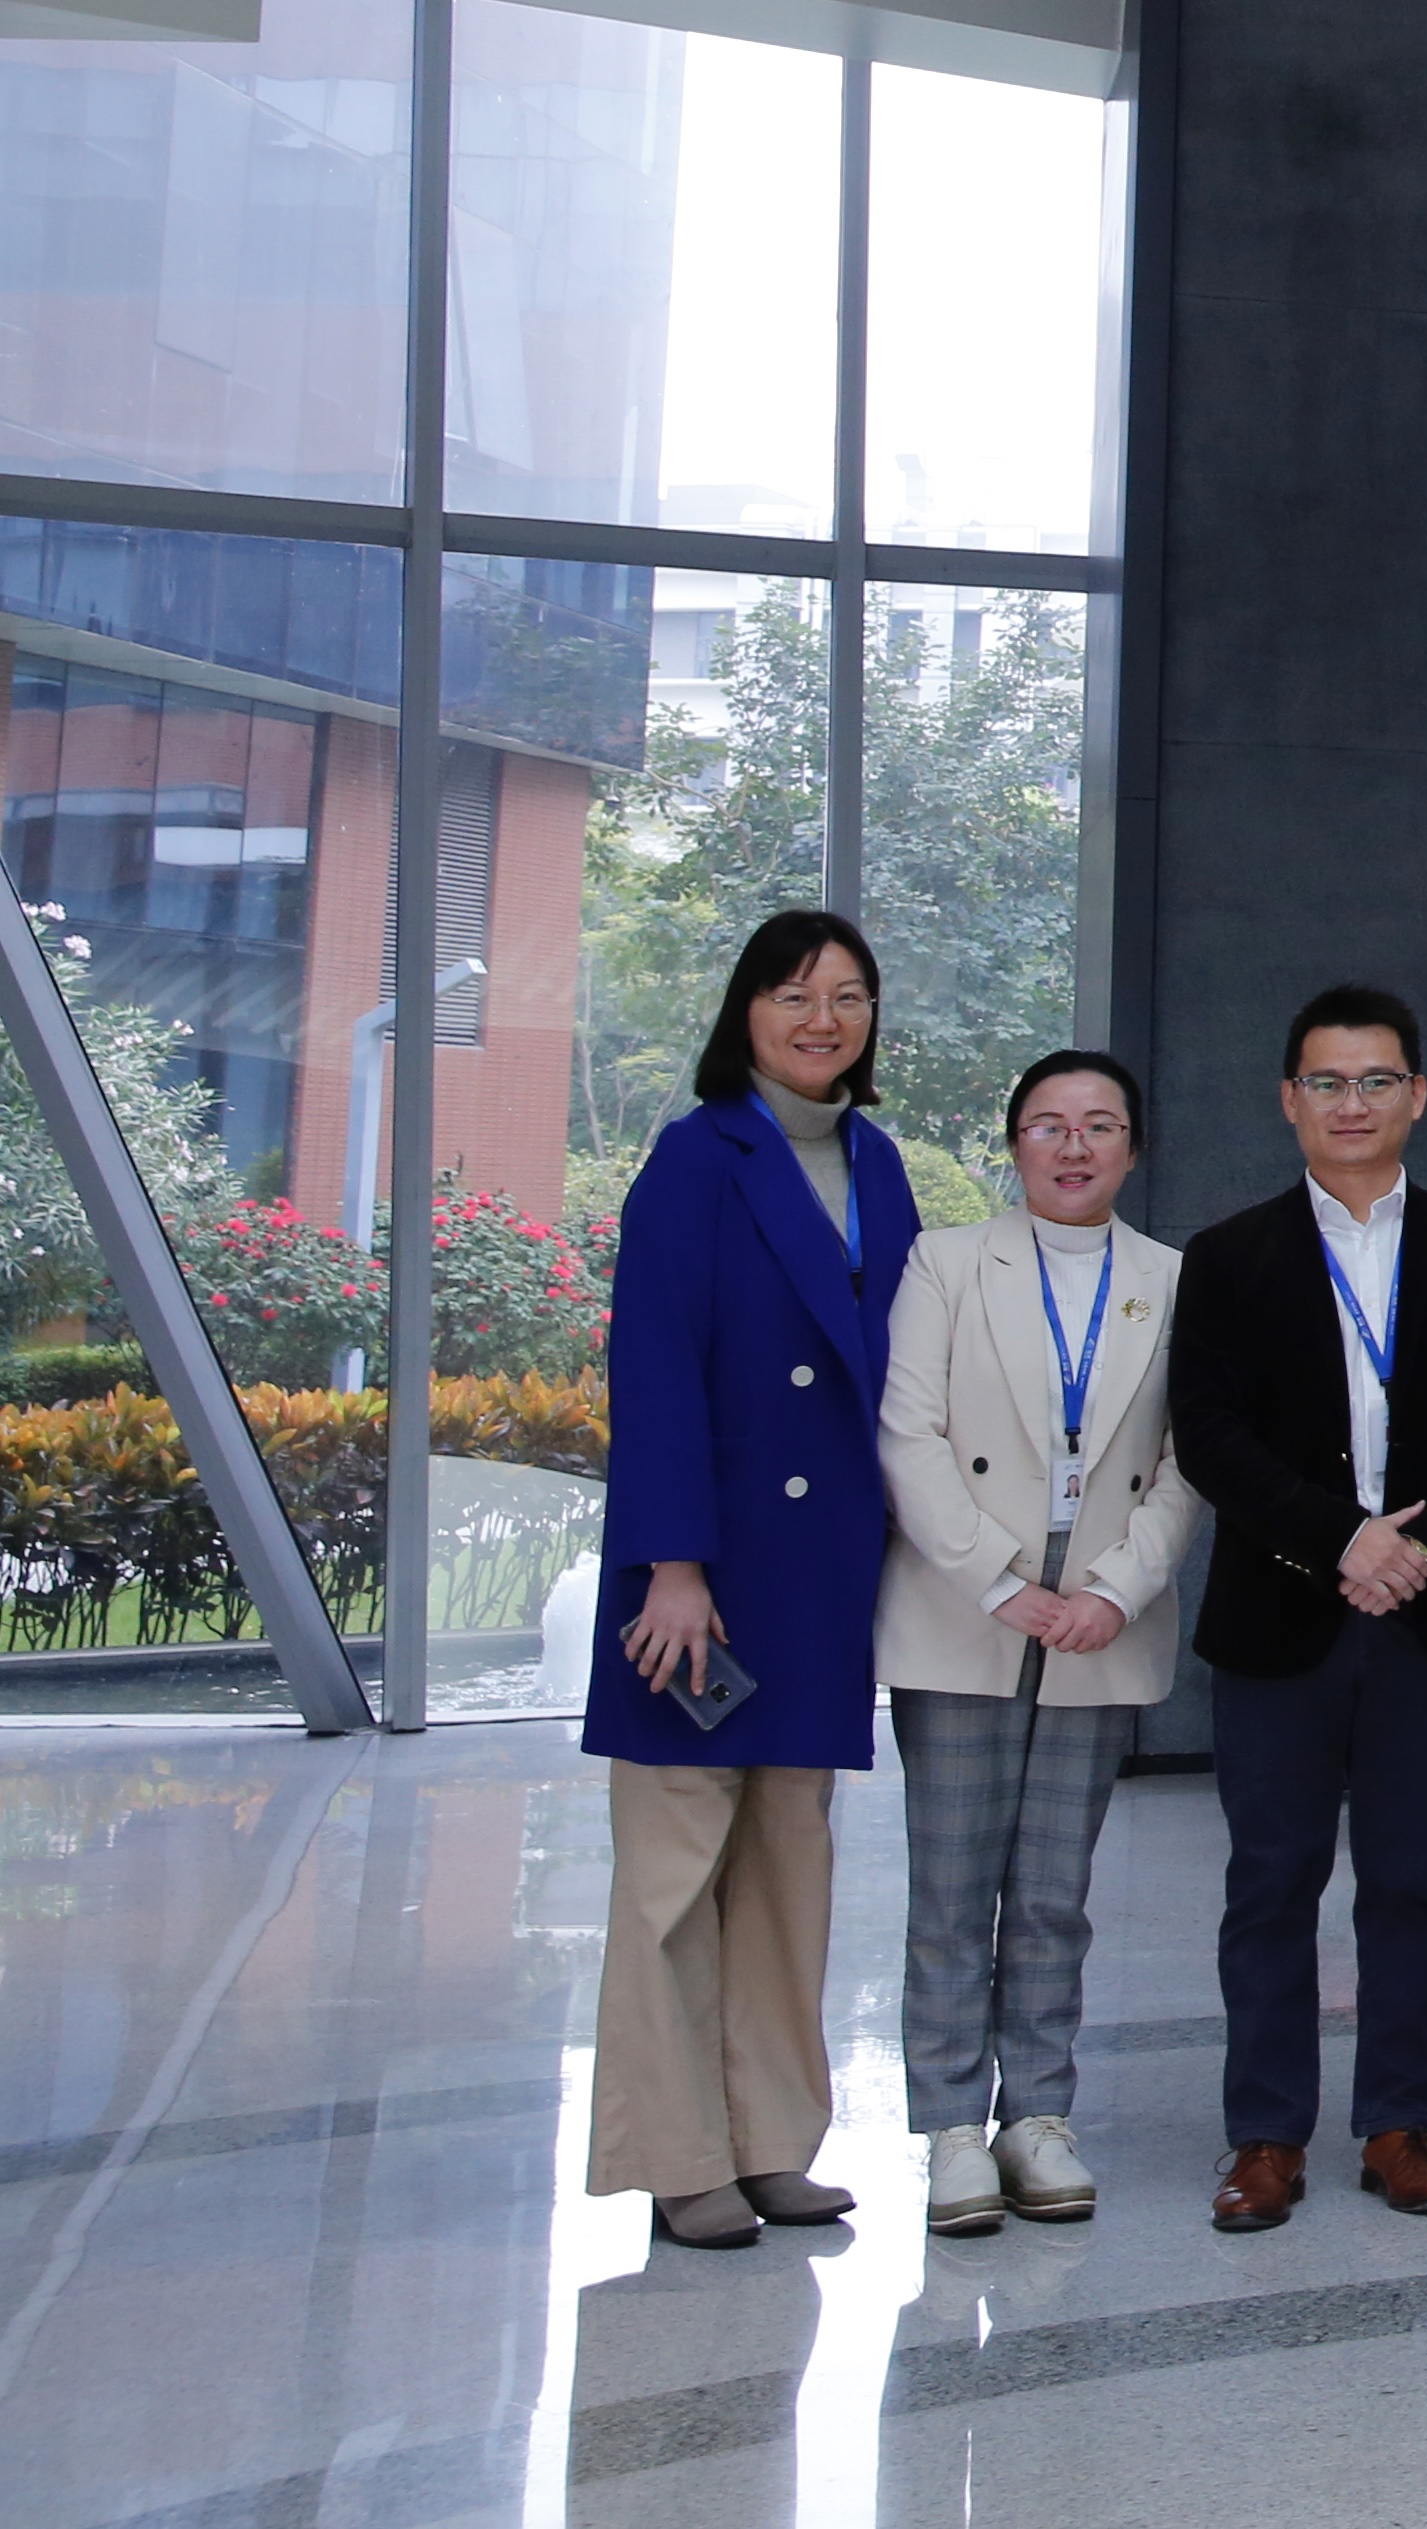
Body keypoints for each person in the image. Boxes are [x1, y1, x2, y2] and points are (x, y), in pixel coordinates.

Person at [582, 908, 917, 2252]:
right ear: (746, 1013)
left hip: (820, 1573)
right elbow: (653, 1365)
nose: (822, 1019)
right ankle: (679, 2158)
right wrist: (670, 1563)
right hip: (704, 1578)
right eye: (793, 994)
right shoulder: (695, 1156)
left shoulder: (878, 1161)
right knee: (672, 1878)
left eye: (848, 996)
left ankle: (772, 2142)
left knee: (788, 1869)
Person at [1168, 984, 1427, 2233]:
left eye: (1376, 1080)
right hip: (1281, 1616)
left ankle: (1398, 2124)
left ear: (1417, 1094)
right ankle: (1265, 2134)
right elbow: (1208, 1432)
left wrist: (1422, 1549)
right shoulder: (1228, 1255)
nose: (1352, 1103)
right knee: (1270, 1883)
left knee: (1409, 1881)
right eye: (1328, 1081)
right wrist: (1342, 1541)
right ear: (1290, 1099)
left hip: (1424, 1616)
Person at [875, 1046, 1200, 2235]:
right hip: (964, 1607)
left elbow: (1187, 1460)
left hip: (1099, 1619)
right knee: (952, 1889)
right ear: (1014, 1142)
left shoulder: (1172, 1278)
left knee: (1057, 1892)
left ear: (1133, 1147)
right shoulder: (947, 1261)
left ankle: (1039, 2116)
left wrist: (1115, 1589)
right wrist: (997, 1578)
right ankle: (953, 2128)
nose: (1074, 1145)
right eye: (1049, 1123)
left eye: (1100, 1124)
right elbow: (907, 1432)